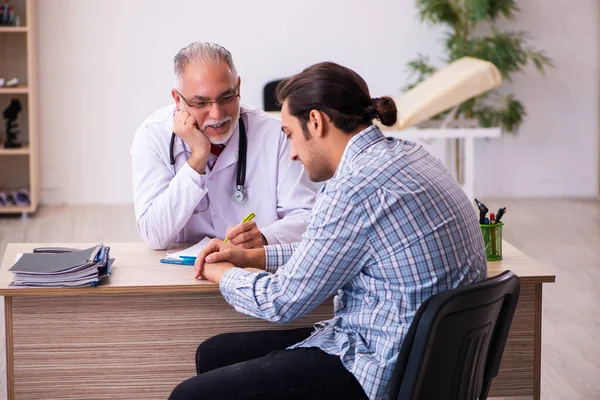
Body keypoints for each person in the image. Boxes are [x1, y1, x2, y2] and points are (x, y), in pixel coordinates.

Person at [169, 62, 487, 399]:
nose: (291, 153)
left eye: (290, 135)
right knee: (215, 353)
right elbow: (332, 249)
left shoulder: (354, 188)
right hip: (432, 359)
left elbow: (279, 302)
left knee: (190, 396)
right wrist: (253, 256)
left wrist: (222, 272)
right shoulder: (410, 155)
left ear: (317, 122)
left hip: (383, 368)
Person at [131, 42, 318, 250]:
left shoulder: (276, 133)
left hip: (253, 269)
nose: (217, 114)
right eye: (201, 103)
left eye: (226, 97)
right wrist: (198, 159)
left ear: (238, 87)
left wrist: (265, 237)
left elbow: (306, 218)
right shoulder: (153, 136)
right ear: (177, 99)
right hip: (182, 276)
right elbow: (154, 236)